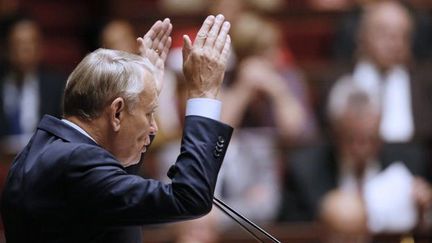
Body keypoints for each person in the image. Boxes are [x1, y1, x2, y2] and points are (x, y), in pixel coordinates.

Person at [1, 14, 233, 243]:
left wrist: (144, 89)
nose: (153, 128)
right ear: (117, 112)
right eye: (149, 113)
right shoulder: (76, 163)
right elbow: (188, 198)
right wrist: (203, 95)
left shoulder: (42, 151)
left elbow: (113, 190)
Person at [282, 79, 432, 232]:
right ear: (335, 132)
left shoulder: (411, 162)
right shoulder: (305, 171)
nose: (362, 149)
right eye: (352, 139)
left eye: (371, 140)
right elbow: (295, 232)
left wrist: (423, 213)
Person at [0, 18, 65, 154]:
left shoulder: (57, 86)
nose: (25, 50)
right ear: (5, 48)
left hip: (43, 160)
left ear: (40, 48)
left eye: (30, 43)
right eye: (18, 43)